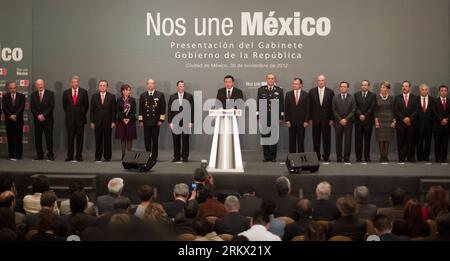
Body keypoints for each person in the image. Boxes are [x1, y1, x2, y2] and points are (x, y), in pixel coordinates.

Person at [257, 73, 284, 162]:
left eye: (272, 78)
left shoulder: (279, 90)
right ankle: (266, 156)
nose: (270, 80)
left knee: (273, 138)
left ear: (275, 80)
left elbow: (281, 105)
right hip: (264, 117)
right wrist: (258, 116)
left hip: (275, 118)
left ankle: (273, 157)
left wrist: (281, 117)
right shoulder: (261, 90)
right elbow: (258, 103)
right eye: (268, 78)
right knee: (265, 137)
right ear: (266, 79)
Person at [62, 75, 89, 162]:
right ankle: (70, 155)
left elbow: (86, 106)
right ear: (71, 83)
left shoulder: (84, 92)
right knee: (70, 138)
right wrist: (71, 114)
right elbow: (64, 106)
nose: (75, 83)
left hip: (80, 120)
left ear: (78, 82)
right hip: (69, 120)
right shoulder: (66, 93)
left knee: (80, 139)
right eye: (74, 82)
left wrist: (80, 114)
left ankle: (78, 155)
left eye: (77, 82)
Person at [309, 75, 335, 162]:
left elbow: (332, 107)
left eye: (322, 80)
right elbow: (309, 107)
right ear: (317, 81)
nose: (321, 82)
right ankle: (316, 156)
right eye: (319, 80)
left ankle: (326, 156)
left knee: (326, 139)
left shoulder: (330, 92)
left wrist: (332, 119)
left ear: (325, 81)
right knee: (316, 139)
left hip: (326, 120)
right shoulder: (312, 91)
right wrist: (310, 118)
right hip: (315, 120)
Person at [139, 79, 166, 160]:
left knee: (155, 140)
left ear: (154, 85)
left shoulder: (160, 95)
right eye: (149, 84)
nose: (150, 85)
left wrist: (161, 120)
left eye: (152, 84)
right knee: (147, 140)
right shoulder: (143, 95)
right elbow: (141, 109)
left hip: (156, 122)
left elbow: (163, 108)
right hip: (146, 121)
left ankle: (154, 156)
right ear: (147, 85)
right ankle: (147, 155)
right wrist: (140, 120)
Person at [90, 80, 116, 162]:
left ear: (107, 87)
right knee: (98, 140)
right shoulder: (94, 96)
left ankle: (107, 156)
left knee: (107, 140)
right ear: (98, 87)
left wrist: (113, 121)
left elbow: (113, 110)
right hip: (97, 122)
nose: (102, 87)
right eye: (100, 85)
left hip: (108, 122)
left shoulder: (111, 96)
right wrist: (92, 121)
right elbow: (92, 110)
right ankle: (98, 156)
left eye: (104, 85)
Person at [168, 80, 194, 162]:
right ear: (177, 87)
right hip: (175, 122)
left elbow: (192, 110)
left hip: (186, 122)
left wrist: (191, 121)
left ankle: (185, 156)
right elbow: (169, 110)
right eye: (180, 86)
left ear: (184, 87)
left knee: (185, 140)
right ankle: (176, 156)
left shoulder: (189, 96)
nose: (181, 87)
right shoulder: (172, 97)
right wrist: (170, 122)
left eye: (183, 86)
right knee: (176, 140)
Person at [30, 79, 55, 161]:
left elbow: (51, 106)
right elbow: (32, 107)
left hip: (47, 119)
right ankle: (39, 154)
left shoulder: (50, 94)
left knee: (49, 137)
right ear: (36, 86)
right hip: (37, 120)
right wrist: (38, 115)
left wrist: (43, 115)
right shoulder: (33, 95)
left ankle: (50, 154)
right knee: (38, 138)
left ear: (44, 84)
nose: (40, 86)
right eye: (38, 84)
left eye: (41, 84)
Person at [332, 81, 356, 163]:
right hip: (338, 123)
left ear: (348, 88)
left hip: (348, 123)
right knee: (338, 140)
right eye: (341, 86)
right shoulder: (335, 97)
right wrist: (340, 120)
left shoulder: (352, 98)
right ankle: (339, 157)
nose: (342, 88)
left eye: (344, 86)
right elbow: (333, 110)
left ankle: (346, 157)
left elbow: (353, 110)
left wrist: (346, 119)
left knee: (348, 140)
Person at [394, 80, 417, 163]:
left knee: (411, 141)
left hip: (411, 123)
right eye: (403, 86)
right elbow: (396, 110)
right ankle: (401, 157)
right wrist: (404, 118)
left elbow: (416, 110)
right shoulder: (397, 97)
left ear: (409, 88)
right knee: (401, 141)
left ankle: (410, 157)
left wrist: (409, 118)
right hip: (401, 123)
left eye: (406, 86)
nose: (404, 87)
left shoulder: (415, 97)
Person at [284, 77, 310, 153]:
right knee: (292, 141)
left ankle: (301, 157)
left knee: (300, 141)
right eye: (293, 84)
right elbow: (286, 108)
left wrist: (306, 121)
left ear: (301, 85)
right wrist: (287, 120)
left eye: (296, 84)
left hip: (302, 122)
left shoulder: (306, 94)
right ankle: (292, 157)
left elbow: (308, 109)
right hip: (291, 122)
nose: (294, 85)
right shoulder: (288, 94)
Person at [2, 81, 25, 160]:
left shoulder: (21, 96)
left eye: (14, 88)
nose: (12, 90)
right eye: (11, 88)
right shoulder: (5, 97)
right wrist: (10, 115)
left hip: (18, 120)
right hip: (9, 121)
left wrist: (15, 115)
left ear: (16, 88)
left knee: (19, 138)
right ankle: (11, 154)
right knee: (10, 138)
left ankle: (18, 154)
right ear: (9, 88)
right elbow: (4, 108)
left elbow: (22, 107)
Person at [354, 80, 376, 162]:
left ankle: (367, 157)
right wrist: (360, 115)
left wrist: (365, 115)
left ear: (368, 86)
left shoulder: (372, 95)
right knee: (358, 140)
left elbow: (372, 107)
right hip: (358, 121)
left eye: (365, 85)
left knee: (367, 140)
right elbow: (355, 107)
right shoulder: (356, 95)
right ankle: (358, 157)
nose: (364, 86)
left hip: (368, 121)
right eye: (362, 85)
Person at [375, 81, 396, 162]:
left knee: (387, 139)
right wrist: (376, 121)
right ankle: (381, 156)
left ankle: (386, 156)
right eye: (381, 87)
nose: (382, 88)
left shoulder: (391, 98)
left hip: (389, 121)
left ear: (387, 89)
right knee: (381, 139)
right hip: (380, 120)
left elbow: (394, 110)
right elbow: (375, 110)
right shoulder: (376, 97)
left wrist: (394, 121)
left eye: (383, 87)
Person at [115, 84, 137, 159]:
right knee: (123, 138)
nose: (128, 91)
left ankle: (129, 155)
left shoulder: (133, 100)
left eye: (129, 90)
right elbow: (117, 111)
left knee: (130, 138)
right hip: (121, 122)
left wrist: (129, 119)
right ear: (123, 91)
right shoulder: (119, 99)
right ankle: (123, 155)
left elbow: (134, 111)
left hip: (131, 121)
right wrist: (123, 118)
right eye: (127, 90)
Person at [415, 84, 434, 162]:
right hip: (418, 125)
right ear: (420, 91)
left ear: (428, 91)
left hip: (429, 125)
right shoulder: (415, 99)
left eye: (426, 89)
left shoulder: (432, 100)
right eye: (422, 89)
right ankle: (419, 156)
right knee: (419, 141)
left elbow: (434, 113)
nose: (424, 91)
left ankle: (426, 156)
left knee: (428, 142)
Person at [432, 85, 450, 163]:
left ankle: (444, 157)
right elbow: (434, 112)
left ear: (447, 92)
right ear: (439, 92)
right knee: (437, 142)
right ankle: (438, 157)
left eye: (445, 90)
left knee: (445, 142)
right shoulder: (435, 101)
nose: (443, 92)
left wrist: (446, 119)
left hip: (447, 125)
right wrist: (441, 119)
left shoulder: (449, 101)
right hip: (437, 125)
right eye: (442, 90)